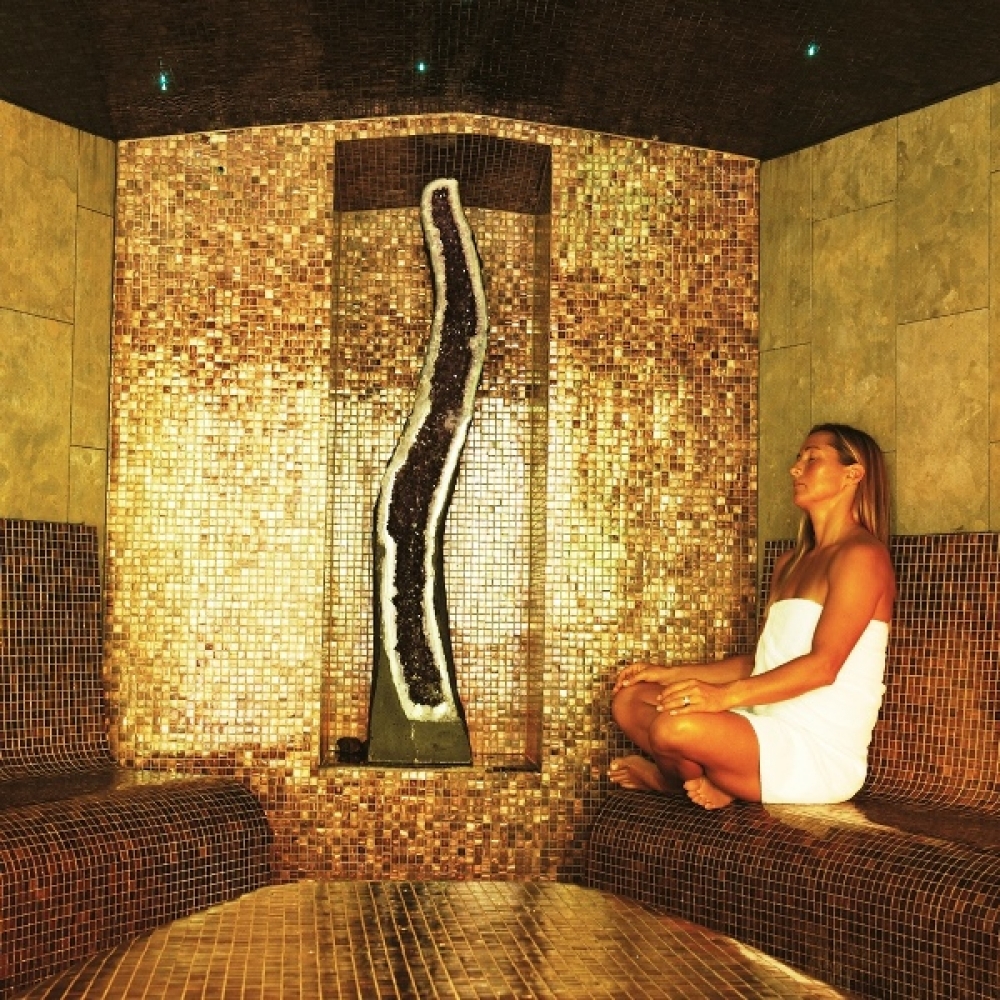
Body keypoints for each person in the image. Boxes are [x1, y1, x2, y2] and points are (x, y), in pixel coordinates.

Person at [609, 423, 895, 809]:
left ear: (853, 474)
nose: (795, 468)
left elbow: (823, 666)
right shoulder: (790, 563)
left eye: (812, 458)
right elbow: (764, 663)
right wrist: (671, 674)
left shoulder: (862, 556)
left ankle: (672, 781)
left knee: (674, 725)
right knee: (630, 700)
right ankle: (720, 780)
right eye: (798, 458)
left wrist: (721, 697)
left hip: (815, 751)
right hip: (760, 725)